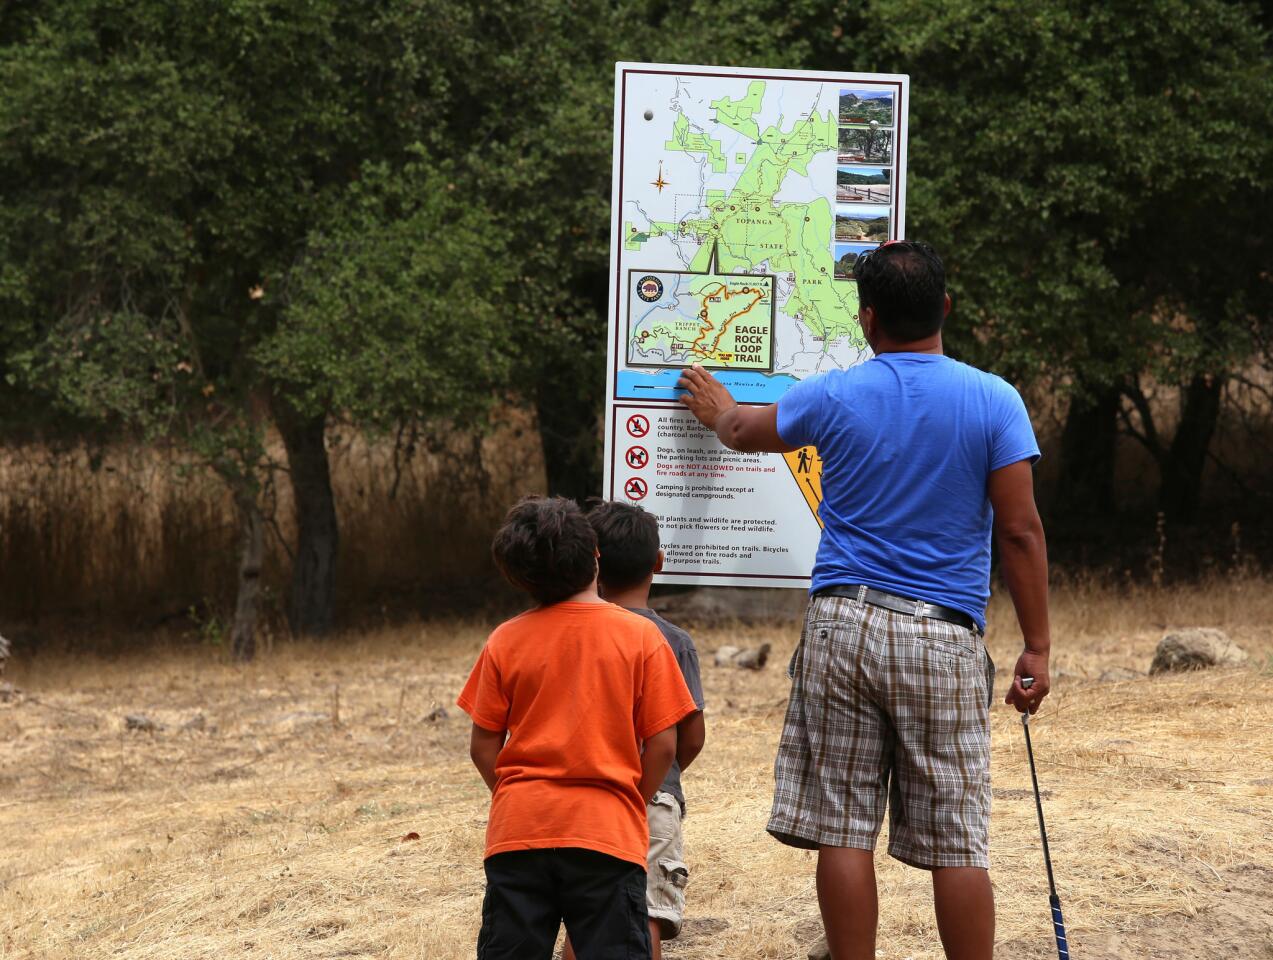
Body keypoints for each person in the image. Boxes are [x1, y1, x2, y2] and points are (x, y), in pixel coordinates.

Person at [676, 240, 1051, 960]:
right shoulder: (992, 400)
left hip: (841, 623)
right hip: (942, 634)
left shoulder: (833, 394)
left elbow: (741, 431)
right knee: (955, 835)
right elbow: (1020, 530)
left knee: (843, 829)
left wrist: (718, 406)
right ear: (944, 307)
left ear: (866, 317)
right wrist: (1035, 645)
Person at [457, 496, 698, 960]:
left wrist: (516, 795)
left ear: (519, 578)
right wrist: (631, 800)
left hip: (519, 831)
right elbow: (664, 746)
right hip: (608, 833)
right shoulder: (641, 637)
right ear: (596, 557)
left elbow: (483, 745)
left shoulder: (504, 639)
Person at [560, 500, 707, 960]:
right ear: (658, 563)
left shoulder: (569, 630)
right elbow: (692, 735)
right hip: (652, 796)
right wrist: (663, 774)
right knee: (642, 919)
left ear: (592, 561)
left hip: (584, 795)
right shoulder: (675, 641)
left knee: (585, 920)